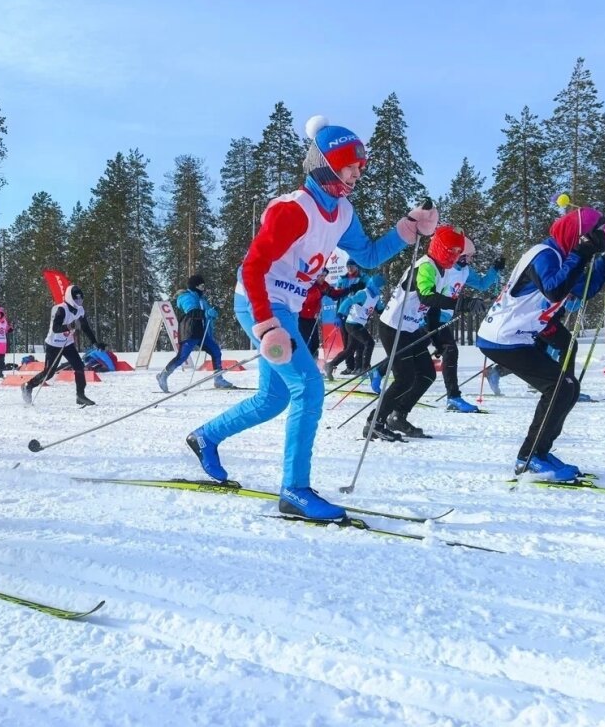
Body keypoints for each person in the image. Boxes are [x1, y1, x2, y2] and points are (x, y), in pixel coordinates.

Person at [185, 114, 433, 521]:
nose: (356, 174)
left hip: (288, 308)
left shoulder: (343, 212)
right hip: (260, 303)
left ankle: (205, 438)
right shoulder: (294, 210)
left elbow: (368, 255)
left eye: (359, 167)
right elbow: (252, 268)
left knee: (273, 397)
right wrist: (266, 323)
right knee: (309, 388)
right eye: (350, 166)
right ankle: (294, 491)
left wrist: (406, 229)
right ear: (326, 164)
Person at [477, 206, 605, 480]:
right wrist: (581, 254)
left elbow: (583, 288)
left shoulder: (563, 257)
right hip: (502, 338)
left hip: (520, 336)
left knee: (568, 388)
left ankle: (539, 453)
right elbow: (554, 288)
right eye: (595, 238)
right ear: (580, 235)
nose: (596, 243)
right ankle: (529, 456)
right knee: (560, 388)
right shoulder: (544, 254)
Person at [367, 225, 482, 440]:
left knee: (427, 374)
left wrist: (436, 338)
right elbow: (427, 297)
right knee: (404, 378)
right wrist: (462, 303)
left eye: (458, 252)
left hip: (411, 328)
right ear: (442, 249)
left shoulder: (442, 269)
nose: (456, 256)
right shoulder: (426, 266)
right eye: (453, 252)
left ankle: (398, 415)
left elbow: (432, 308)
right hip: (394, 326)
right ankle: (375, 422)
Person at [429, 236, 504, 413]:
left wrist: (495, 269)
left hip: (443, 318)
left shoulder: (465, 271)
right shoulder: (443, 269)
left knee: (431, 349)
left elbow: (482, 284)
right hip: (429, 315)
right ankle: (453, 397)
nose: (471, 260)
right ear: (460, 255)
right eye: (469, 256)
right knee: (448, 350)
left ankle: (379, 372)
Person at [22, 285, 106, 407]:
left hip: (67, 343)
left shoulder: (80, 310)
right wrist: (69, 326)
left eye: (80, 299)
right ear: (70, 298)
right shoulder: (61, 309)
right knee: (49, 373)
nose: (79, 301)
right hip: (53, 344)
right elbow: (56, 328)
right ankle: (28, 386)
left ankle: (80, 396)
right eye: (76, 299)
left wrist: (95, 342)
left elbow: (85, 327)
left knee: (79, 366)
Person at [156, 274, 234, 391]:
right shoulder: (186, 297)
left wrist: (214, 310)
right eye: (202, 286)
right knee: (182, 357)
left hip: (201, 332)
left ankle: (218, 379)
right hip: (189, 331)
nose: (204, 288)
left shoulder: (200, 298)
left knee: (215, 351)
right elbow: (192, 312)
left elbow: (207, 312)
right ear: (195, 286)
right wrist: (206, 313)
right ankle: (163, 375)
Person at [324, 273, 385, 379]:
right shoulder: (363, 294)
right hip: (352, 324)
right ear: (374, 286)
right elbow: (348, 301)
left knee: (350, 350)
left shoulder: (376, 297)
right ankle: (365, 368)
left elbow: (380, 309)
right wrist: (339, 314)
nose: (381, 290)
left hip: (359, 324)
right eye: (380, 287)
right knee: (369, 342)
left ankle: (330, 365)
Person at [297, 267, 351, 358]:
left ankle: (314, 365)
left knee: (315, 344)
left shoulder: (324, 285)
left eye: (324, 276)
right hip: (302, 318)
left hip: (312, 318)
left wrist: (349, 289)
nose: (323, 278)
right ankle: (303, 364)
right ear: (315, 276)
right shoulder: (308, 284)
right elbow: (306, 298)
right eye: (321, 276)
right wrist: (319, 292)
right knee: (306, 343)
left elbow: (334, 295)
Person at [333, 259, 365, 372]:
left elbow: (370, 290)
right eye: (348, 266)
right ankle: (350, 366)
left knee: (360, 341)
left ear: (357, 266)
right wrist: (337, 314)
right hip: (344, 313)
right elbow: (336, 295)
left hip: (358, 313)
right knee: (346, 342)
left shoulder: (363, 278)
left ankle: (359, 365)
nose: (350, 268)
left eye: (352, 266)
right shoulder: (342, 279)